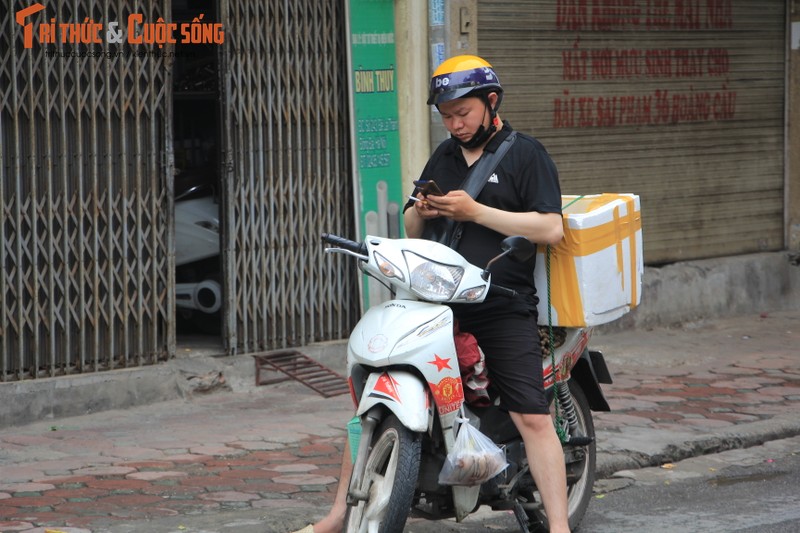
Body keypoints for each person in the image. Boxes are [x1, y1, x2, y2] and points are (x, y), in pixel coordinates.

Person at [294, 54, 569, 533]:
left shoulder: (526, 154)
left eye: (463, 113)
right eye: (446, 116)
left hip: (501, 300)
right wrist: (422, 208)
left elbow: (550, 227)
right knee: (370, 398)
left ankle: (561, 527)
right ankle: (340, 514)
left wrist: (474, 211)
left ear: (491, 102)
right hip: (436, 296)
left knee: (532, 416)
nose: (455, 124)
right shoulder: (443, 155)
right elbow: (411, 224)